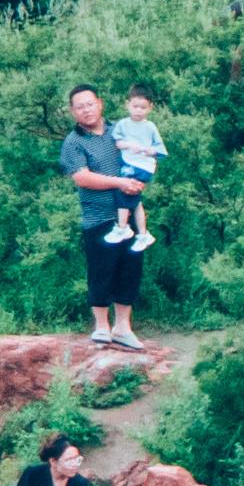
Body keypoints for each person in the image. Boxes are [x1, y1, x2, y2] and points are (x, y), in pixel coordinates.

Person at [60, 86, 145, 351]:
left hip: (129, 213)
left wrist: (138, 178)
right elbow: (81, 177)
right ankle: (101, 326)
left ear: (100, 103)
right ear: (73, 111)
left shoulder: (120, 130)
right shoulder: (73, 142)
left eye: (90, 104)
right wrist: (119, 182)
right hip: (98, 218)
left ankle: (123, 328)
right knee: (101, 272)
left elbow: (139, 154)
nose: (86, 110)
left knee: (129, 270)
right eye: (80, 106)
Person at [106, 90, 165, 257]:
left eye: (143, 107)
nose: (138, 110)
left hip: (142, 166)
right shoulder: (123, 124)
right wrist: (128, 145)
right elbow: (117, 143)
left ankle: (123, 228)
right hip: (128, 163)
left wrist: (149, 150)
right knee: (136, 201)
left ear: (150, 108)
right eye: (135, 106)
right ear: (128, 105)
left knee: (124, 191)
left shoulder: (150, 127)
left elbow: (160, 150)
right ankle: (143, 234)